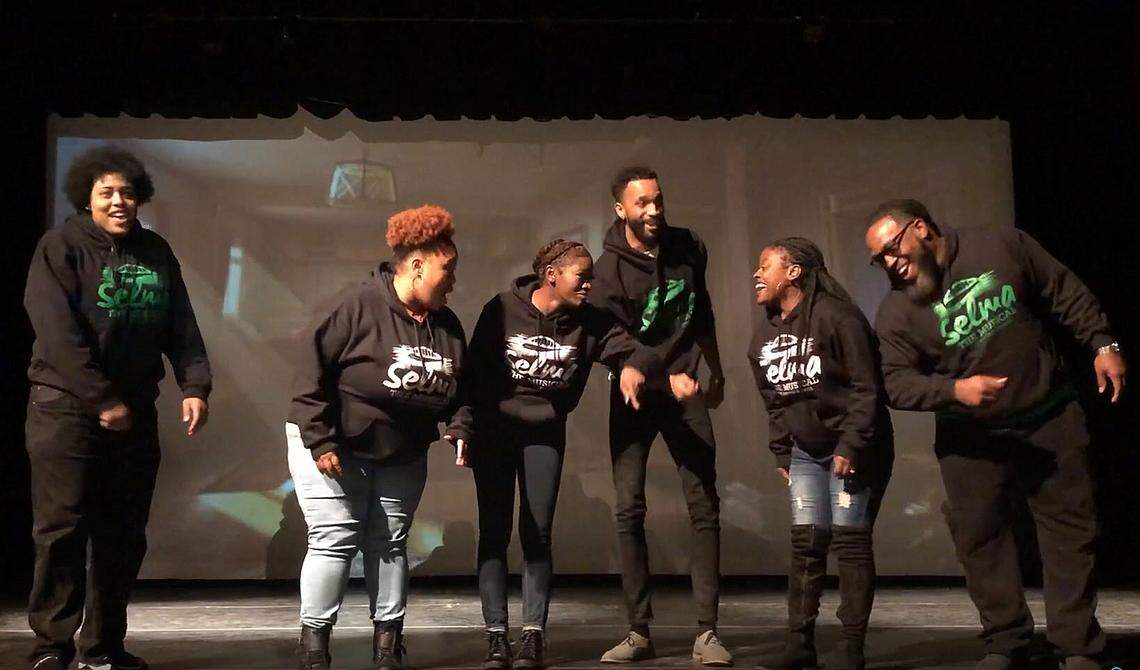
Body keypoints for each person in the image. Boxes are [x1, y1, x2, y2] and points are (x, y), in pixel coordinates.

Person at [864, 199, 1126, 670]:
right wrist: (954, 390)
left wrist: (1102, 342)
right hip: (972, 439)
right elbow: (895, 382)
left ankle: (1077, 643)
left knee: (1069, 532)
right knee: (980, 538)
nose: (888, 263)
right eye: (879, 259)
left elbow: (1063, 289)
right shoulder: (895, 312)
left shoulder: (999, 245)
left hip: (1048, 415)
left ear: (921, 228)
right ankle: (1007, 640)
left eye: (891, 249)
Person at [23, 146, 212, 670]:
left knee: (123, 534)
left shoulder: (155, 251)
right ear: (87, 196)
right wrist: (101, 399)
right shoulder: (60, 247)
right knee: (62, 530)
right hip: (64, 411)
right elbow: (57, 333)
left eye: (127, 192)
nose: (118, 201)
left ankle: (101, 647)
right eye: (106, 192)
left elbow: (182, 325)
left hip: (135, 412)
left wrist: (195, 384)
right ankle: (52, 646)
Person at [456, 239, 665, 670]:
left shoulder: (589, 322)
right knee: (494, 532)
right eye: (581, 277)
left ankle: (532, 635)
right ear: (552, 274)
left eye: (591, 278)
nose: (589, 285)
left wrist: (628, 367)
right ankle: (496, 637)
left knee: (537, 534)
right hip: (495, 433)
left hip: (545, 434)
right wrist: (463, 428)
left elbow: (633, 348)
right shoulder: (501, 309)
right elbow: (472, 376)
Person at [286, 205, 469, 670]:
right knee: (334, 538)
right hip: (335, 441)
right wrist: (321, 440)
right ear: (416, 265)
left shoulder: (447, 325)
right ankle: (314, 648)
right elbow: (309, 374)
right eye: (447, 270)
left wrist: (460, 425)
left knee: (390, 542)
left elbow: (462, 391)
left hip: (401, 449)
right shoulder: (355, 304)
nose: (453, 281)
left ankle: (388, 645)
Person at [587, 167, 732, 666]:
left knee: (704, 505)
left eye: (658, 200)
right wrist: (639, 372)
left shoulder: (688, 246)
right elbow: (607, 337)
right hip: (636, 397)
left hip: (687, 386)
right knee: (629, 509)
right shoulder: (607, 271)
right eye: (642, 203)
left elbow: (701, 310)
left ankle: (707, 632)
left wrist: (715, 366)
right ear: (621, 209)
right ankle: (638, 632)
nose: (654, 211)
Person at [747, 238, 893, 670]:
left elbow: (867, 388)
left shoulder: (838, 318)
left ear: (794, 272)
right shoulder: (763, 336)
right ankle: (800, 643)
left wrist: (851, 444)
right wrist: (782, 451)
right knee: (807, 544)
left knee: (848, 543)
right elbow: (775, 401)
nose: (756, 274)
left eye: (764, 265)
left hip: (855, 448)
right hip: (806, 454)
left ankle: (851, 647)